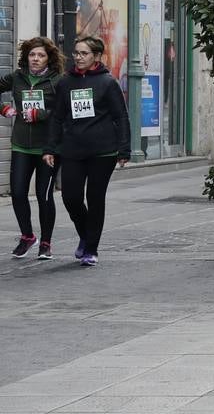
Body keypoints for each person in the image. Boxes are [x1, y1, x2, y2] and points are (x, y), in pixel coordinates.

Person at [42, 37, 130, 266]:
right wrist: (50, 147)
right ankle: (85, 234)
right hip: (72, 149)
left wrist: (124, 149)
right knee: (71, 197)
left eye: (84, 53)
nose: (78, 57)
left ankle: (91, 249)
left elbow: (121, 116)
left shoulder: (107, 82)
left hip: (103, 151)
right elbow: (57, 117)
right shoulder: (65, 82)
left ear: (96, 56)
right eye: (76, 53)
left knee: (95, 198)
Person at [3, 38, 63, 259]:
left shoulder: (57, 80)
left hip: (47, 147)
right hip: (21, 145)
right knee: (18, 193)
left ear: (49, 58)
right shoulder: (17, 77)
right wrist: (4, 108)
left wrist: (41, 114)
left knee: (44, 195)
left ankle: (46, 242)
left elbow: (62, 111)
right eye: (32, 55)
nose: (35, 59)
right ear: (26, 57)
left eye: (41, 55)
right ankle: (27, 236)